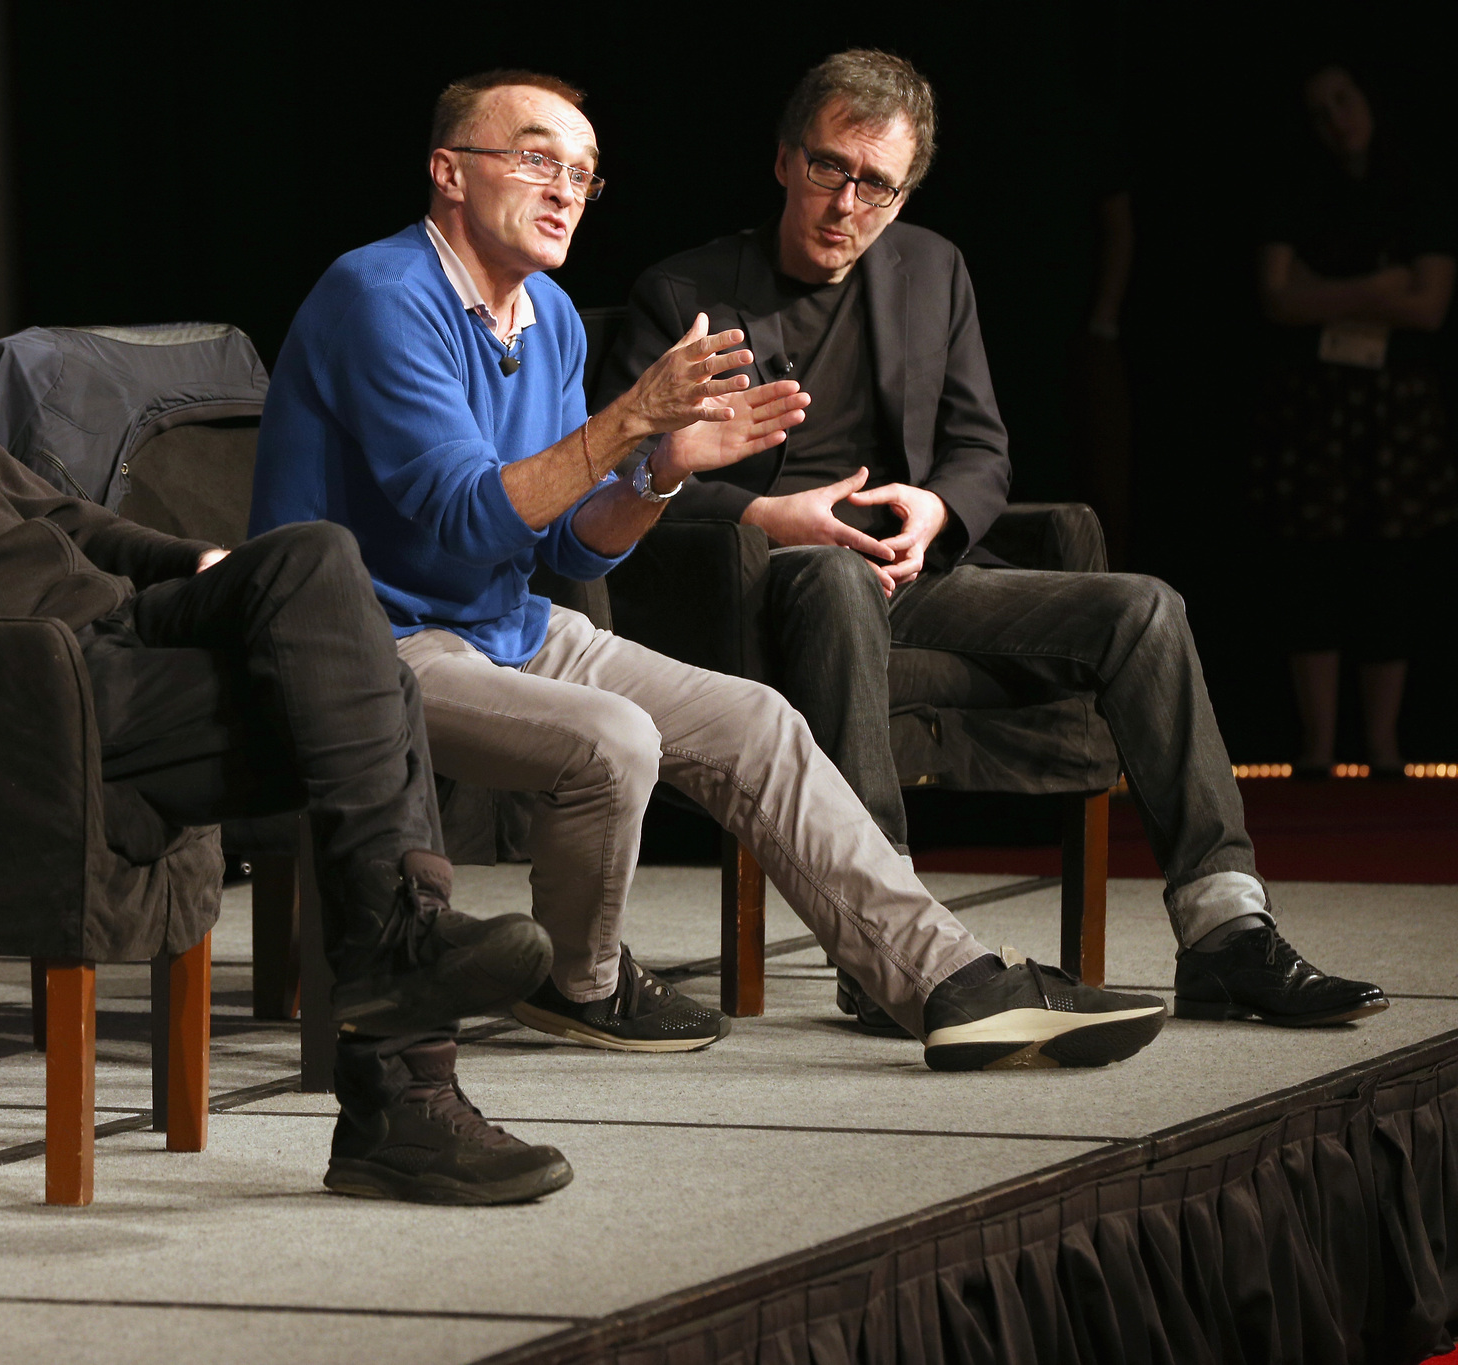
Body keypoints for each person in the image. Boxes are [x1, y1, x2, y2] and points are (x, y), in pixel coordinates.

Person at [0, 132, 574, 1207]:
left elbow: (58, 517)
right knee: (375, 704)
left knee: (316, 563)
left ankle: (392, 967)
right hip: (7, 699)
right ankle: (399, 1088)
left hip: (112, 638)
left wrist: (195, 560)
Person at [252, 71, 1169, 1073]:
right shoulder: (379, 293)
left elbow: (563, 546)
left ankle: (947, 982)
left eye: (583, 173)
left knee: (754, 722)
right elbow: (466, 513)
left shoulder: (548, 316)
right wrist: (628, 424)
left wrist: (659, 471)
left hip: (501, 623)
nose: (565, 189)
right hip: (365, 644)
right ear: (448, 173)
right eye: (535, 159)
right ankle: (579, 980)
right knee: (613, 737)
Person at [598, 50, 1388, 1030]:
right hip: (765, 588)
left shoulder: (931, 270)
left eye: (874, 183)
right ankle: (888, 946)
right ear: (782, 161)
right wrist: (767, 516)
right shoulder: (685, 295)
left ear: (902, 192)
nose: (846, 201)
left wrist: (936, 511)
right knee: (829, 581)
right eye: (827, 168)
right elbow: (623, 484)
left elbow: (977, 451)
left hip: (915, 571)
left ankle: (1225, 935)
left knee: (1143, 609)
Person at [1255, 63, 1455, 781]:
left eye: (1344, 99)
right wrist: (1381, 285)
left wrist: (1324, 290)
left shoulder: (1417, 188)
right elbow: (1278, 299)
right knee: (1313, 568)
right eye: (1319, 109)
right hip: (1317, 405)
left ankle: (1384, 747)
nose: (1336, 117)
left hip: (1394, 402)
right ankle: (1315, 749)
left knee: (1390, 569)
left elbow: (1430, 304)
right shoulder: (1295, 192)